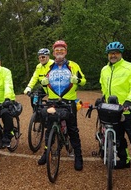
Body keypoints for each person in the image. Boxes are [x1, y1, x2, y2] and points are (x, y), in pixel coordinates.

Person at [99, 41, 131, 181]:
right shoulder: (104, 70)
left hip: (127, 110)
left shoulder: (130, 67)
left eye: (116, 53)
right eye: (111, 53)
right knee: (118, 138)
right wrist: (103, 98)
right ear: (108, 55)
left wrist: (128, 101)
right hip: (112, 110)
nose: (113, 55)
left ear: (120, 54)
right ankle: (124, 160)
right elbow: (103, 86)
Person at [39, 40, 86, 171]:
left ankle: (78, 157)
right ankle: (46, 153)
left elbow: (83, 81)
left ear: (65, 52)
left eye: (62, 50)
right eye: (57, 51)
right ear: (53, 53)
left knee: (73, 130)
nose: (59, 53)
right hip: (53, 101)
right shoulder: (49, 66)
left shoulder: (73, 65)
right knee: (49, 129)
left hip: (69, 101)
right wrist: (43, 83)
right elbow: (44, 82)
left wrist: (78, 81)